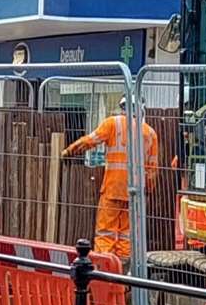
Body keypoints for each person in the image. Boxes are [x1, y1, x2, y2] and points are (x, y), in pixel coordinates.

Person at [62, 99, 159, 261]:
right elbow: (152, 169)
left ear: (123, 107)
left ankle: (104, 266)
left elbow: (90, 141)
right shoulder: (149, 133)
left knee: (105, 232)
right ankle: (122, 270)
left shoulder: (112, 124)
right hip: (135, 193)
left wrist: (69, 151)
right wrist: (147, 190)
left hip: (113, 188)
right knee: (126, 235)